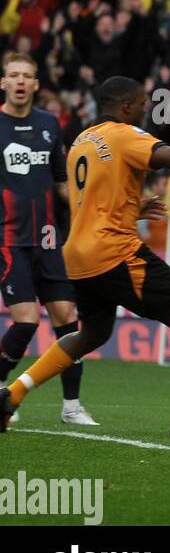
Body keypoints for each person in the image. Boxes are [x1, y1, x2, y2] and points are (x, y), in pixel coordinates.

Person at [1, 76, 170, 436]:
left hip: (78, 255)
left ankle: (13, 394)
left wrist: (132, 207)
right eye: (143, 102)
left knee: (93, 333)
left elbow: (92, 199)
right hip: (114, 250)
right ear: (126, 106)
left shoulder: (84, 139)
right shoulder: (124, 134)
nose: (147, 108)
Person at [0, 53, 95, 425]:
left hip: (48, 239)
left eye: (27, 76)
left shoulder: (49, 124)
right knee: (25, 321)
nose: (20, 81)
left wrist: (86, 212)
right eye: (13, 75)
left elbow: (61, 181)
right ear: (3, 82)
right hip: (9, 239)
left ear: (36, 84)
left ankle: (71, 406)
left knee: (68, 320)